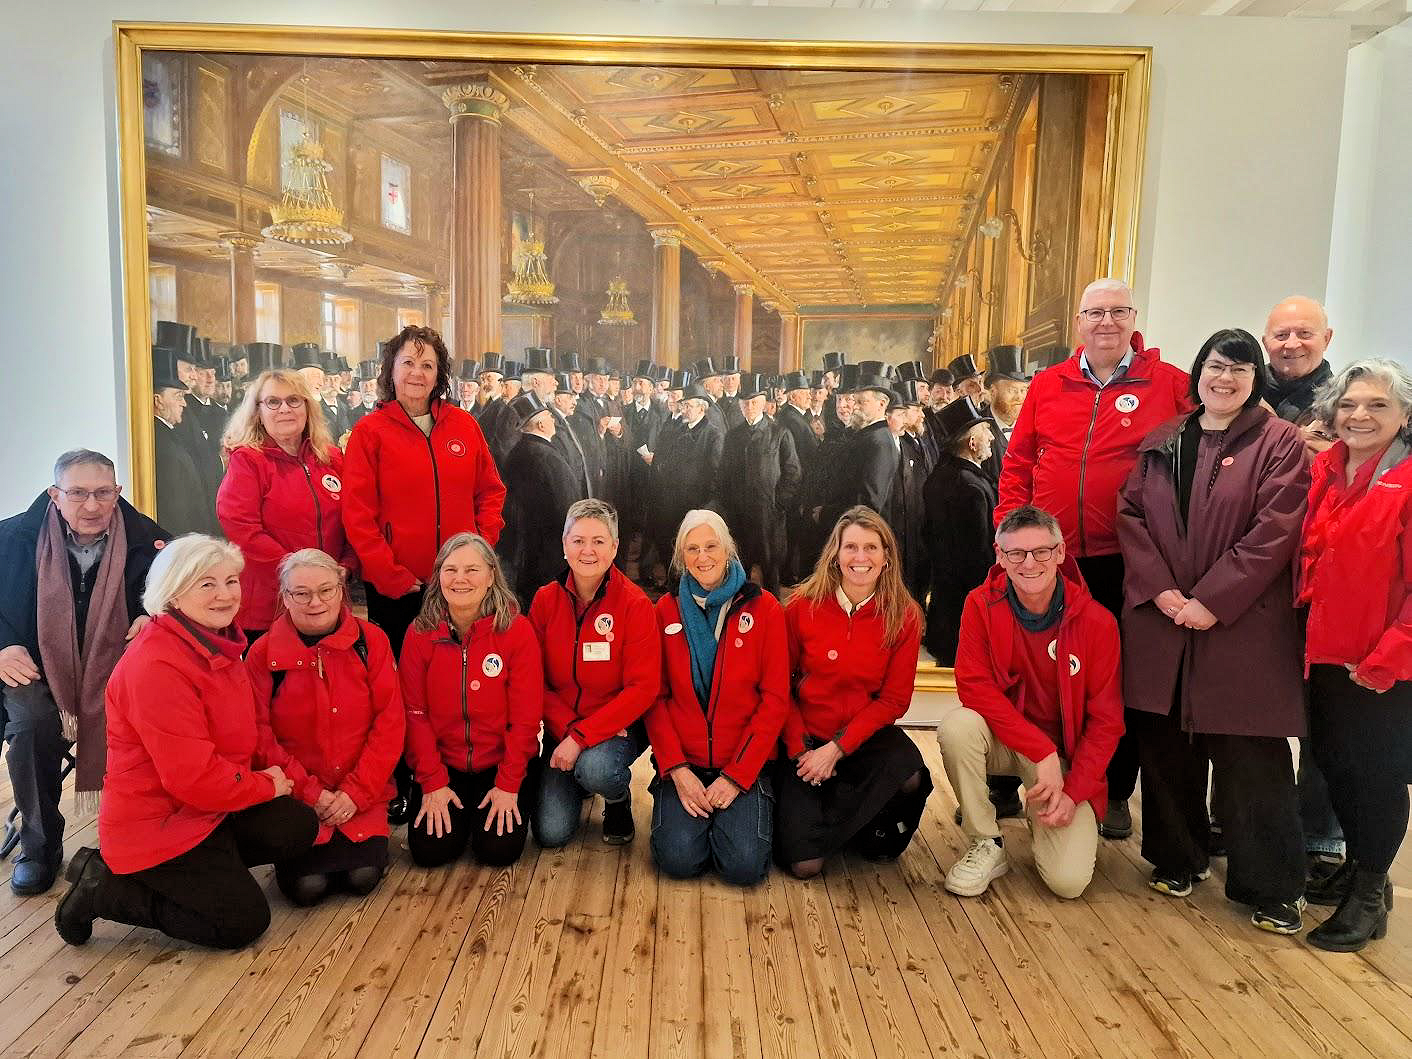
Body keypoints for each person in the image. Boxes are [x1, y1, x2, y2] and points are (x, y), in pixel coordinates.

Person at [1117, 329, 1309, 933]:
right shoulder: (1163, 439)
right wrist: (1162, 591)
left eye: (1239, 370)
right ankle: (1178, 858)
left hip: (1241, 625)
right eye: (1216, 366)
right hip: (1164, 621)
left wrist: (1212, 600)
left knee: (1250, 759)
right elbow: (1131, 517)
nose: (1224, 379)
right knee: (1166, 750)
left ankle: (1272, 885)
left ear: (1256, 380)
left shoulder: (1280, 443)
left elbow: (1276, 530)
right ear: (1198, 372)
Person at [54, 535, 319, 949]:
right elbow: (193, 779)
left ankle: (209, 874)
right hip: (159, 823)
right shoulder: (157, 666)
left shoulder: (218, 641)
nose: (225, 595)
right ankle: (102, 887)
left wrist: (295, 783)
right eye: (206, 584)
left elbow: (245, 734)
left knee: (296, 825)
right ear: (173, 592)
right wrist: (267, 785)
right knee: (241, 923)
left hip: (207, 807)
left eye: (231, 581)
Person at [997, 278, 1190, 841]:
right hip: (1050, 560)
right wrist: (1009, 535)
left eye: (1118, 311)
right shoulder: (1048, 384)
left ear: (1134, 317)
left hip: (1127, 561)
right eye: (1095, 312)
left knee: (1116, 680)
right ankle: (1020, 779)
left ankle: (1114, 791)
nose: (1106, 321)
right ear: (1079, 322)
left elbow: (1227, 427)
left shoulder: (1169, 383)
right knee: (1038, 671)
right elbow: (1018, 464)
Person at [0, 450, 165, 895]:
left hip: (116, 671)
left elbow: (179, 596)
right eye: (77, 493)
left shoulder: (153, 543)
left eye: (102, 493)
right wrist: (2, 646)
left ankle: (137, 840)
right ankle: (39, 846)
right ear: (55, 495)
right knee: (32, 724)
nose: (91, 505)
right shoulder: (10, 538)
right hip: (33, 667)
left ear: (118, 492)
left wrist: (153, 617)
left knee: (149, 716)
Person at [941, 505, 1123, 899]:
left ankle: (1041, 816)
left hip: (1064, 760)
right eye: (1017, 553)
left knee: (1068, 883)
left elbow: (1107, 722)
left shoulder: (1098, 622)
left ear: (1060, 553)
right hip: (1010, 742)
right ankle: (986, 840)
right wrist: (1040, 750)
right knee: (957, 728)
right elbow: (973, 686)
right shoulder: (979, 604)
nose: (1029, 563)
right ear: (1000, 556)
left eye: (1041, 551)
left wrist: (1074, 791)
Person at [1299, 359, 1412, 951]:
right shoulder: (1329, 469)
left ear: (1405, 416)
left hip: (1380, 664)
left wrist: (1387, 658)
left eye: (1377, 405)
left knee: (1377, 775)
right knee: (1336, 764)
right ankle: (1362, 868)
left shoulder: (1408, 480)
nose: (1359, 415)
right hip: (1326, 652)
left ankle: (1369, 894)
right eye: (1348, 404)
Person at [776, 507, 931, 878]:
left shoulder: (905, 615)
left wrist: (837, 749)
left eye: (871, 548)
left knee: (910, 774)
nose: (861, 557)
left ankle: (870, 828)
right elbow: (779, 686)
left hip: (861, 737)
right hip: (806, 739)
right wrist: (801, 750)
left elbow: (894, 700)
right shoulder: (800, 606)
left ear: (886, 557)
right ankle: (819, 816)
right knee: (805, 866)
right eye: (851, 547)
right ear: (835, 554)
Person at [246, 550, 404, 905]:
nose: (315, 602)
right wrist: (311, 794)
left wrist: (355, 792)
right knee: (308, 888)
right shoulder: (261, 654)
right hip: (298, 794)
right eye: (301, 593)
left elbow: (390, 723)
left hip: (362, 790)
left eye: (325, 590)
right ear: (285, 597)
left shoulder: (371, 641)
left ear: (341, 590)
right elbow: (259, 736)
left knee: (362, 877)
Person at [341, 325, 505, 658]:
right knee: (402, 672)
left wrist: (480, 548)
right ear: (391, 370)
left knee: (461, 665)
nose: (417, 373)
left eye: (427, 365)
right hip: (397, 587)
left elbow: (490, 492)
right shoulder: (369, 432)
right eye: (408, 363)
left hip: (461, 581)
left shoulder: (464, 425)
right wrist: (388, 574)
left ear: (438, 375)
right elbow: (357, 514)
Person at [647, 509, 787, 884]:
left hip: (742, 763)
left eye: (711, 546)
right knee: (678, 861)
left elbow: (775, 701)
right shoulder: (665, 611)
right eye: (692, 549)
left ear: (728, 550)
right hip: (686, 764)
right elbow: (655, 699)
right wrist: (676, 770)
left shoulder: (765, 608)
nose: (702, 557)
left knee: (743, 867)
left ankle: (736, 818)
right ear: (681, 556)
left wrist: (737, 776)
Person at [1260, 296, 1345, 886]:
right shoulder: (1243, 394)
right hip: (1258, 574)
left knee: (1324, 715)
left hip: (1322, 577)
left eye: (1304, 333)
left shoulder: (1348, 401)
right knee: (1246, 703)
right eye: (1281, 333)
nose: (1292, 343)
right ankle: (1235, 815)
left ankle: (1320, 833)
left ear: (1327, 337)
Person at [399, 533, 543, 868]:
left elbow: (525, 720)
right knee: (430, 852)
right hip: (443, 764)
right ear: (438, 576)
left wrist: (508, 784)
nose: (459, 579)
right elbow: (414, 715)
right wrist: (432, 782)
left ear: (491, 575)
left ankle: (519, 793)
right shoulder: (420, 633)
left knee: (498, 850)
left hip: (499, 764)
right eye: (450, 570)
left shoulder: (516, 631)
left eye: (471, 570)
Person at [528, 500, 658, 847]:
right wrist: (571, 732)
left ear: (614, 548)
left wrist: (582, 738)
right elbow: (532, 681)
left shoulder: (635, 605)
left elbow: (643, 688)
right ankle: (581, 777)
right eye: (579, 540)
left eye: (599, 541)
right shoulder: (544, 600)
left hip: (617, 727)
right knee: (551, 833)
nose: (588, 551)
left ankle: (616, 798)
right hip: (562, 727)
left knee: (596, 768)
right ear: (564, 544)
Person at [216, 369, 355, 639]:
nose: (284, 409)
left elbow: (354, 517)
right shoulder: (248, 461)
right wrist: (299, 572)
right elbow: (242, 528)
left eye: (293, 400)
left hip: (327, 601)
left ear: (307, 407)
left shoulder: (331, 458)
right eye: (273, 402)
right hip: (270, 606)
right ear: (258, 411)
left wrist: (347, 564)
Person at [922, 397, 998, 666]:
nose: (992, 437)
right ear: (972, 442)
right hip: (966, 608)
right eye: (986, 431)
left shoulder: (940, 477)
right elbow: (977, 557)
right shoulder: (970, 487)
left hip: (944, 604)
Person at [714, 372, 801, 596]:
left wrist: (779, 504)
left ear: (763, 403)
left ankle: (772, 611)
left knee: (770, 570)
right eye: (745, 403)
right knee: (738, 570)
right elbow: (723, 474)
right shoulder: (733, 436)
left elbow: (792, 472)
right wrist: (727, 506)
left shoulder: (779, 433)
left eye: (754, 402)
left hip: (768, 516)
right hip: (739, 515)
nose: (749, 407)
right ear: (740, 406)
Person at [498, 393, 580, 608]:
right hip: (550, 551)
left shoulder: (517, 453)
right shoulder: (547, 457)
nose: (554, 421)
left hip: (524, 552)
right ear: (542, 425)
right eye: (550, 417)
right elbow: (566, 506)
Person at [652, 384, 725, 579]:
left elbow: (717, 475)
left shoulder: (713, 435)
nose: (684, 410)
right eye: (683, 405)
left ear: (701, 408)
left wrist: (705, 506)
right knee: (671, 548)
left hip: (697, 505)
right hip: (673, 503)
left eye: (688, 406)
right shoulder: (679, 430)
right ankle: (675, 587)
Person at [152, 346, 220, 537]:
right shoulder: (164, 445)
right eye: (178, 396)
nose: (183, 403)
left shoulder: (169, 436)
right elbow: (175, 511)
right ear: (158, 401)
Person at [822, 367, 899, 528]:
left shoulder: (880, 442)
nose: (854, 407)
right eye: (854, 401)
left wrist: (826, 514)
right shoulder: (868, 435)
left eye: (861, 402)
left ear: (881, 404)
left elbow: (868, 504)